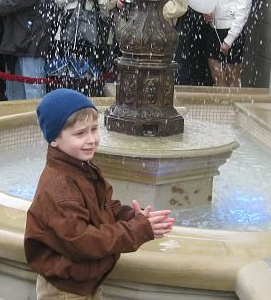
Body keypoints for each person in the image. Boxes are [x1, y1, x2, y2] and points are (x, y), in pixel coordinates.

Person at [24, 88, 174, 299]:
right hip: (66, 291)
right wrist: (136, 230)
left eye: (94, 129)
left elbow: (105, 205)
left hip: (83, 282)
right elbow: (81, 240)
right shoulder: (60, 187)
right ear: (54, 139)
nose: (91, 139)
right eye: (80, 133)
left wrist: (131, 216)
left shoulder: (81, 167)